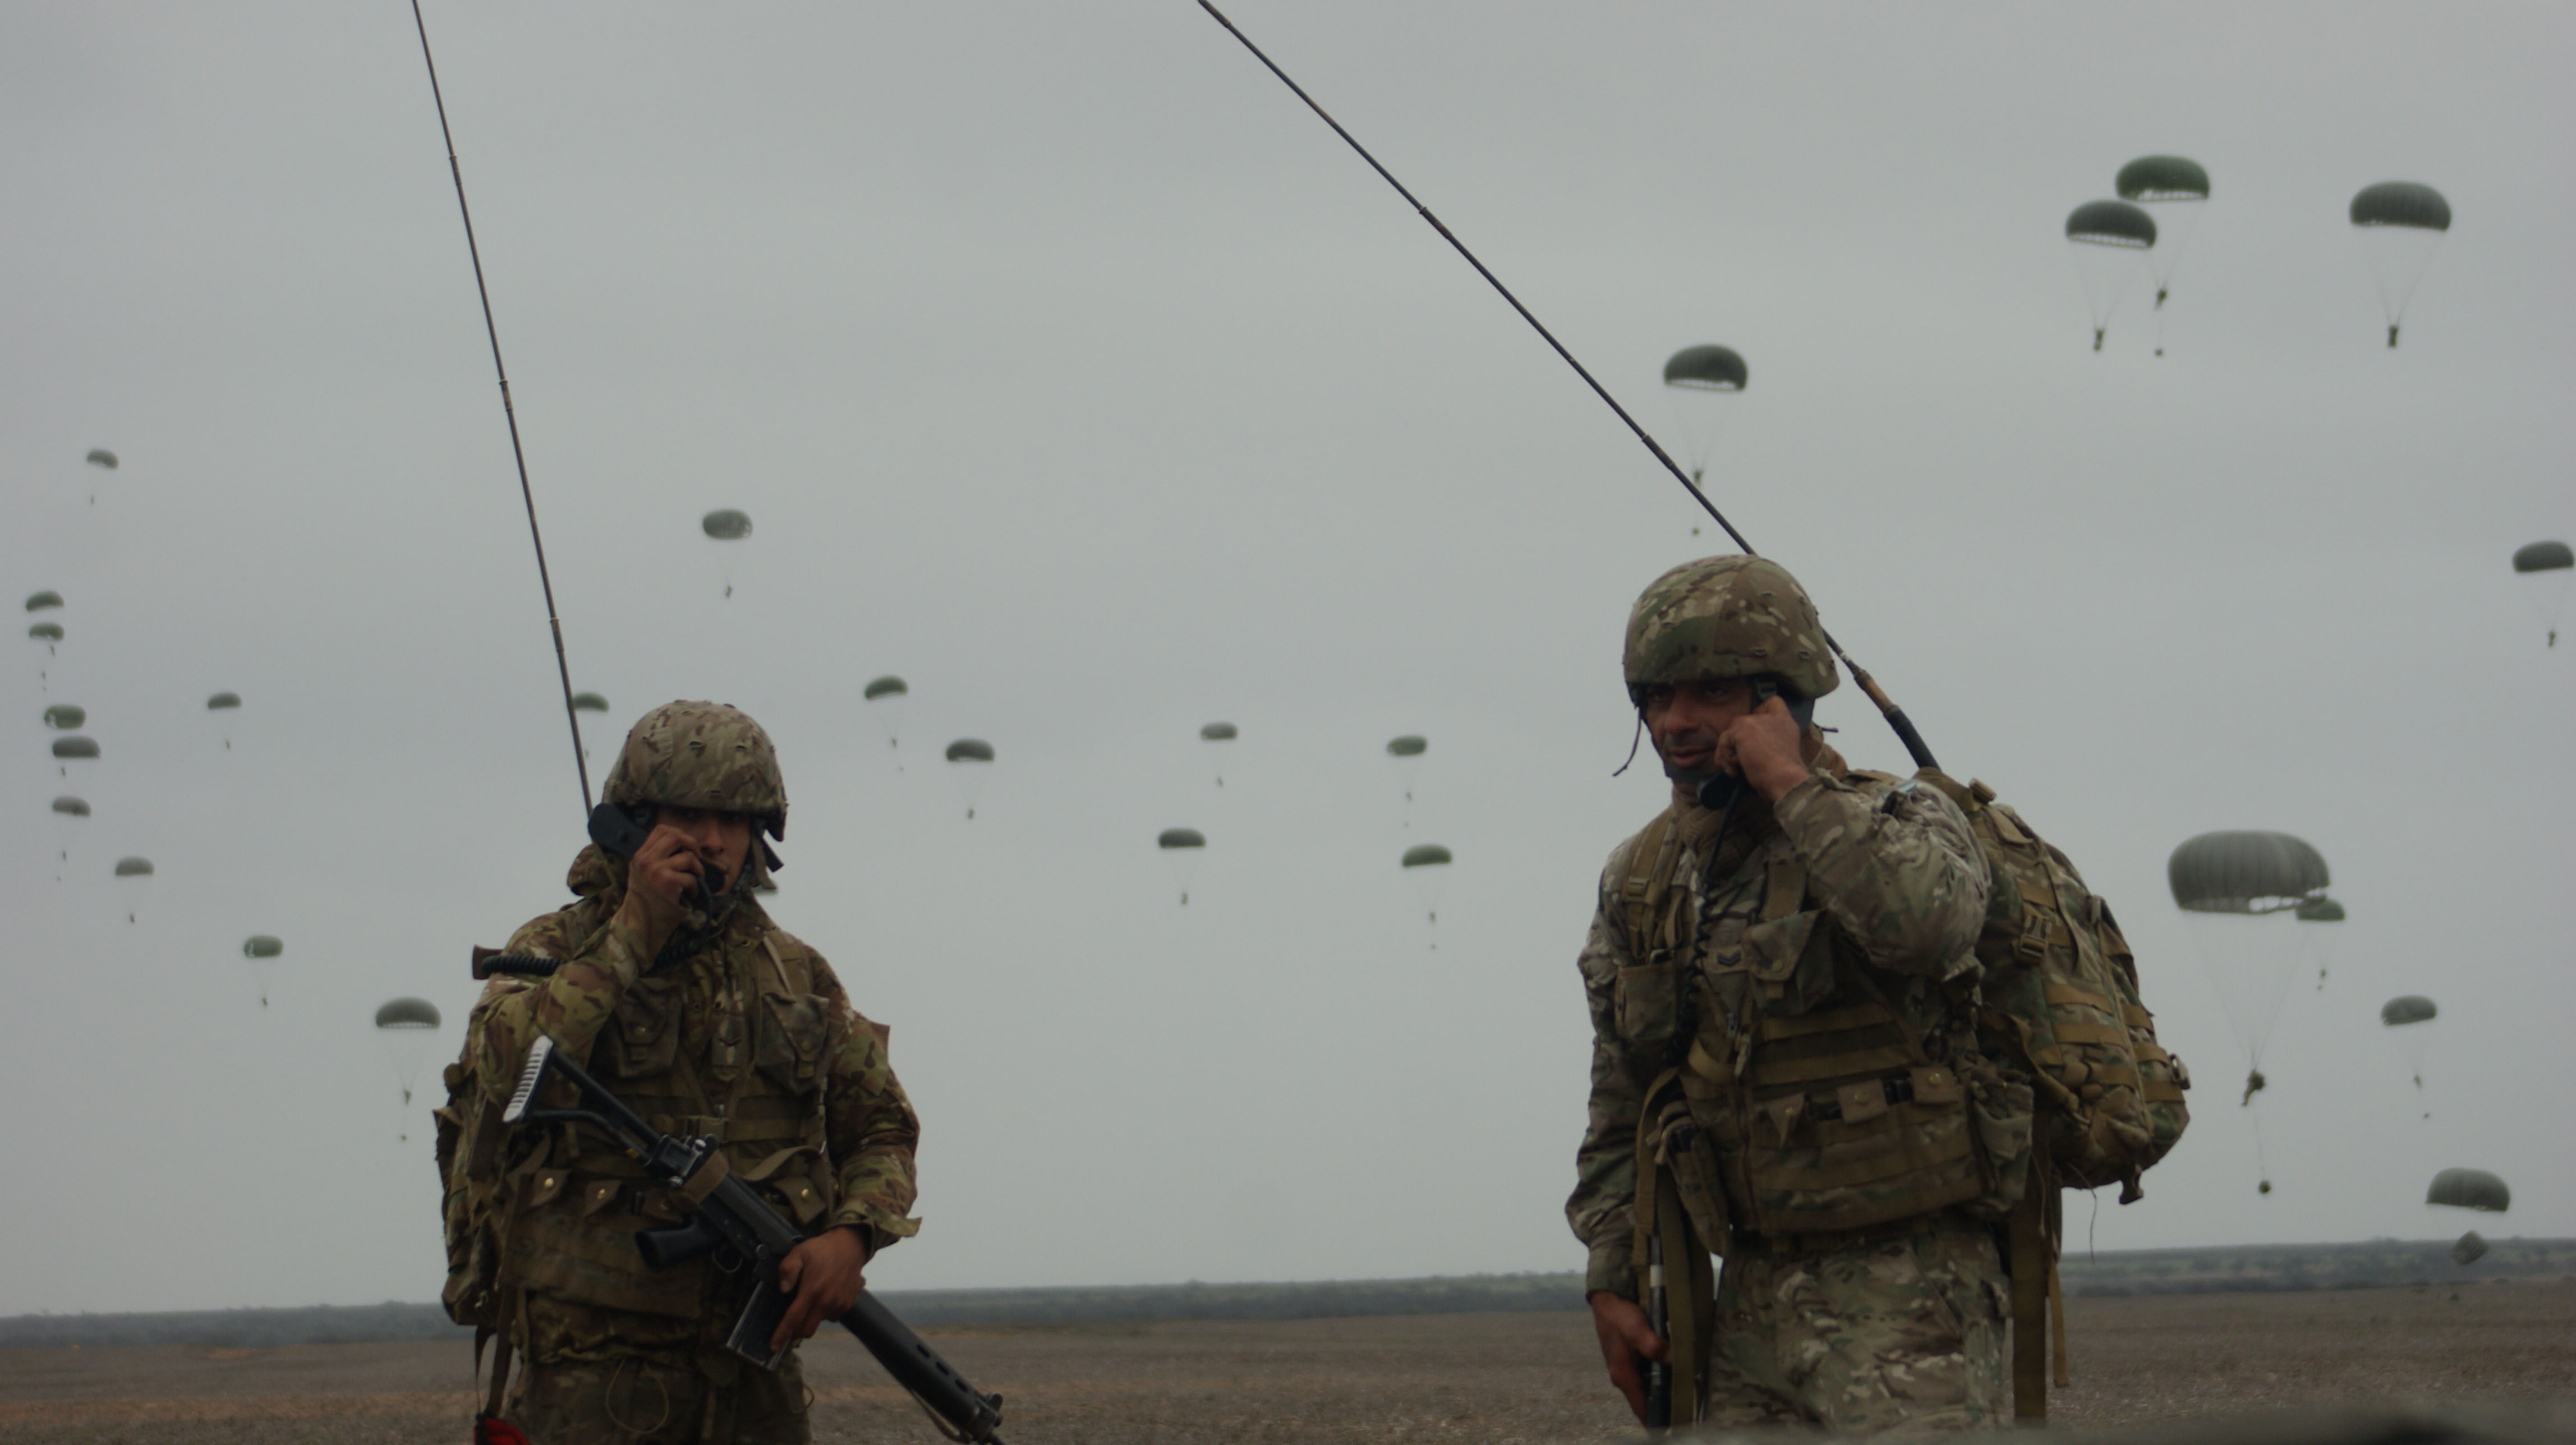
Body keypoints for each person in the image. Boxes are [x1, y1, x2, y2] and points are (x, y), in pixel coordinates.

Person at [1568, 555, 2008, 1433]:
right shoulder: (1646, 878)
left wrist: (1789, 784)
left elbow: (1925, 925)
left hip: (1916, 1296)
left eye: (1710, 693)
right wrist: (1611, 1280)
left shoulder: (1905, 817)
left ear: (1786, 698)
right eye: (1657, 698)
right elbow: (1624, 1097)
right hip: (1748, 1306)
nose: (1677, 722)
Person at [464, 701, 920, 1444]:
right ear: (633, 823)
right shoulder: (556, 945)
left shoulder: (797, 974)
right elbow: (508, 1072)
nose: (712, 840)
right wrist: (635, 932)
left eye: (734, 821)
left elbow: (883, 1131)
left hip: (753, 1377)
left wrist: (854, 1238)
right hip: (590, 1376)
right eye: (688, 814)